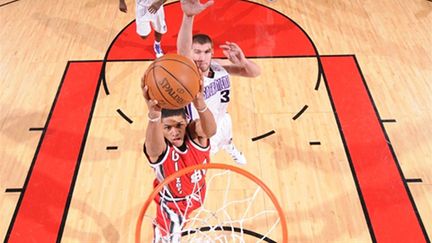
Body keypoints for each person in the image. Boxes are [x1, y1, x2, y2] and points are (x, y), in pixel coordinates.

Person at [177, 0, 261, 165]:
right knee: (199, 170)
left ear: (212, 52)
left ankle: (229, 147)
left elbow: (255, 72)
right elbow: (182, 51)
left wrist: (243, 61)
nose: (202, 57)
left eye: (206, 52)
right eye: (197, 52)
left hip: (222, 120)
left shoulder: (218, 66)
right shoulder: (190, 73)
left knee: (227, 138)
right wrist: (188, 17)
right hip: (200, 130)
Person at [141, 77, 216, 241]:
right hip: (171, 206)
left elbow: (210, 131)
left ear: (186, 122)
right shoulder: (160, 147)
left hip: (195, 196)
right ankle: (161, 231)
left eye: (179, 125)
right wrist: (154, 116)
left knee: (182, 223)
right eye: (167, 127)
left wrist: (200, 104)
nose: (174, 132)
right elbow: (152, 148)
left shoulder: (194, 135)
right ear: (161, 128)